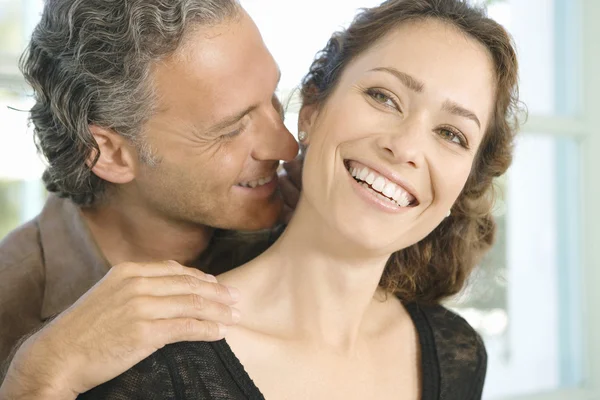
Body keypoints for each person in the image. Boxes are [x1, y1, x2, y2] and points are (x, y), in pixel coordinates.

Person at [79, 0, 522, 399]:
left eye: (451, 134)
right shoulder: (152, 363)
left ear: (463, 185)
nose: (405, 148)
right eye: (384, 97)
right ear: (311, 110)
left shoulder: (457, 354)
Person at [0, 0, 303, 398]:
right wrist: (39, 379)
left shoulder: (302, 224)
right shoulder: (10, 304)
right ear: (108, 153)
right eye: (231, 129)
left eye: (274, 99)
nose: (287, 145)